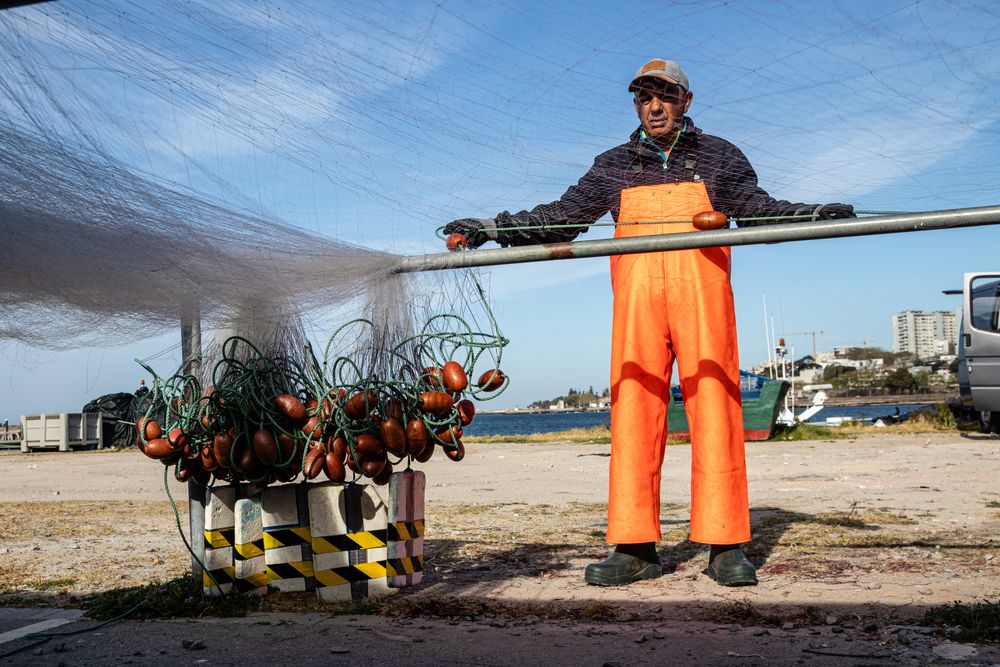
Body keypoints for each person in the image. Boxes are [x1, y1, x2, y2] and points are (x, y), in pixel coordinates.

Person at [445, 59, 854, 587]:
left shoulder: (718, 155)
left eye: (664, 95)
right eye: (643, 97)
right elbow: (563, 216)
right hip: (637, 297)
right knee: (633, 409)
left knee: (717, 405)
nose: (653, 105)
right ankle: (635, 546)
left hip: (702, 293)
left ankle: (726, 544)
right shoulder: (615, 163)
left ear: (686, 100)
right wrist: (492, 227)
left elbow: (756, 208)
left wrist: (811, 215)